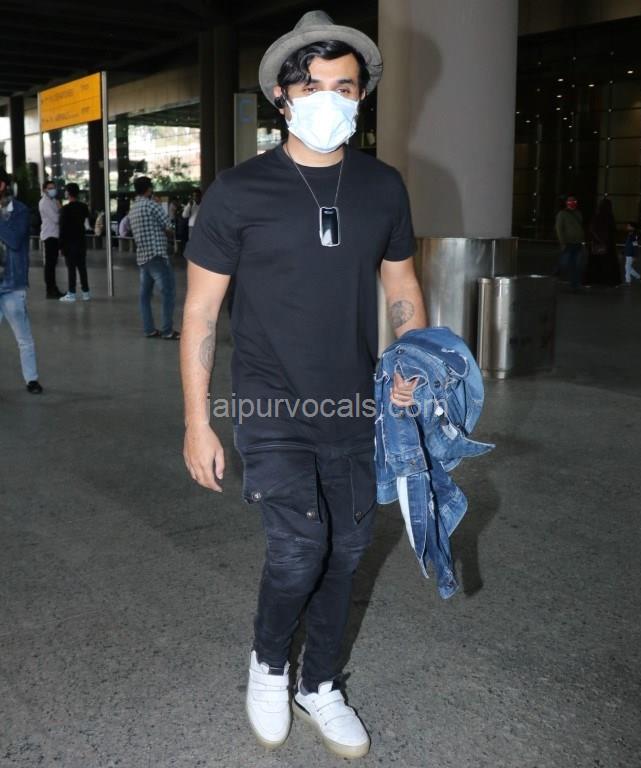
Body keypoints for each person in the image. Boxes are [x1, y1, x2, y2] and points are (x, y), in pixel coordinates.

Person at [180, 10, 427, 759]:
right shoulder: (238, 192)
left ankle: (319, 682)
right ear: (282, 97)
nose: (328, 100)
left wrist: (411, 364)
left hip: (356, 404)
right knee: (298, 551)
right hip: (269, 403)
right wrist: (197, 421)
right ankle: (268, 664)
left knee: (348, 552)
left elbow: (402, 287)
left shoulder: (383, 187)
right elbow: (200, 313)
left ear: (361, 97)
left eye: (343, 87)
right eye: (312, 85)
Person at [0, 168, 43, 394]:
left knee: (23, 337)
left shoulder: (20, 210)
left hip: (12, 284)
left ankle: (31, 379)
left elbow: (14, 240)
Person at [128, 176, 179, 339]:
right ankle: (167, 330)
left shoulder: (133, 208)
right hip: (157, 255)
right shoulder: (152, 205)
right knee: (168, 293)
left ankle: (149, 329)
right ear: (149, 189)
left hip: (143, 257)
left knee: (145, 296)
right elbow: (168, 227)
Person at [59, 182, 91, 302]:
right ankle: (86, 292)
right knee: (82, 268)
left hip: (69, 242)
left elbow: (62, 228)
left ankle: (71, 293)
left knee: (71, 269)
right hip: (81, 241)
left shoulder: (65, 209)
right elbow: (87, 223)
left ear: (68, 193)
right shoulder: (84, 207)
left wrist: (61, 245)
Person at [38, 179, 65, 299]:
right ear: (44, 190)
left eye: (53, 187)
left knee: (53, 264)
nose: (52, 190)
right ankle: (50, 290)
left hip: (55, 235)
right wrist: (61, 210)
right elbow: (56, 219)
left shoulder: (53, 200)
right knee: (50, 264)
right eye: (50, 188)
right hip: (49, 236)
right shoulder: (44, 203)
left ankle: (54, 288)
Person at [588, 196, 621, 286]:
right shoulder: (609, 217)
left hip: (597, 243)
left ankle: (594, 280)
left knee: (595, 263)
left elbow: (592, 229)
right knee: (609, 264)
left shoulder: (596, 216)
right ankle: (609, 281)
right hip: (608, 244)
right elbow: (613, 230)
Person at [555, 195, 585, 291]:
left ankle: (575, 285)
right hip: (568, 243)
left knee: (576, 265)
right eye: (570, 201)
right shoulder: (562, 214)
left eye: (574, 201)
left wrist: (582, 239)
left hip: (577, 243)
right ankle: (556, 275)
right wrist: (562, 242)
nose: (572, 203)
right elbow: (559, 228)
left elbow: (580, 227)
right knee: (564, 263)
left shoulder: (578, 213)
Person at [622, 221, 641, 286]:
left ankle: (628, 281)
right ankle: (639, 277)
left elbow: (635, 246)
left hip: (631, 254)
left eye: (629, 226)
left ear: (632, 227)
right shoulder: (630, 234)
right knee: (628, 267)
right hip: (628, 253)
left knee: (627, 267)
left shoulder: (633, 235)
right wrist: (623, 252)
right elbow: (628, 244)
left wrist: (635, 255)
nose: (627, 227)